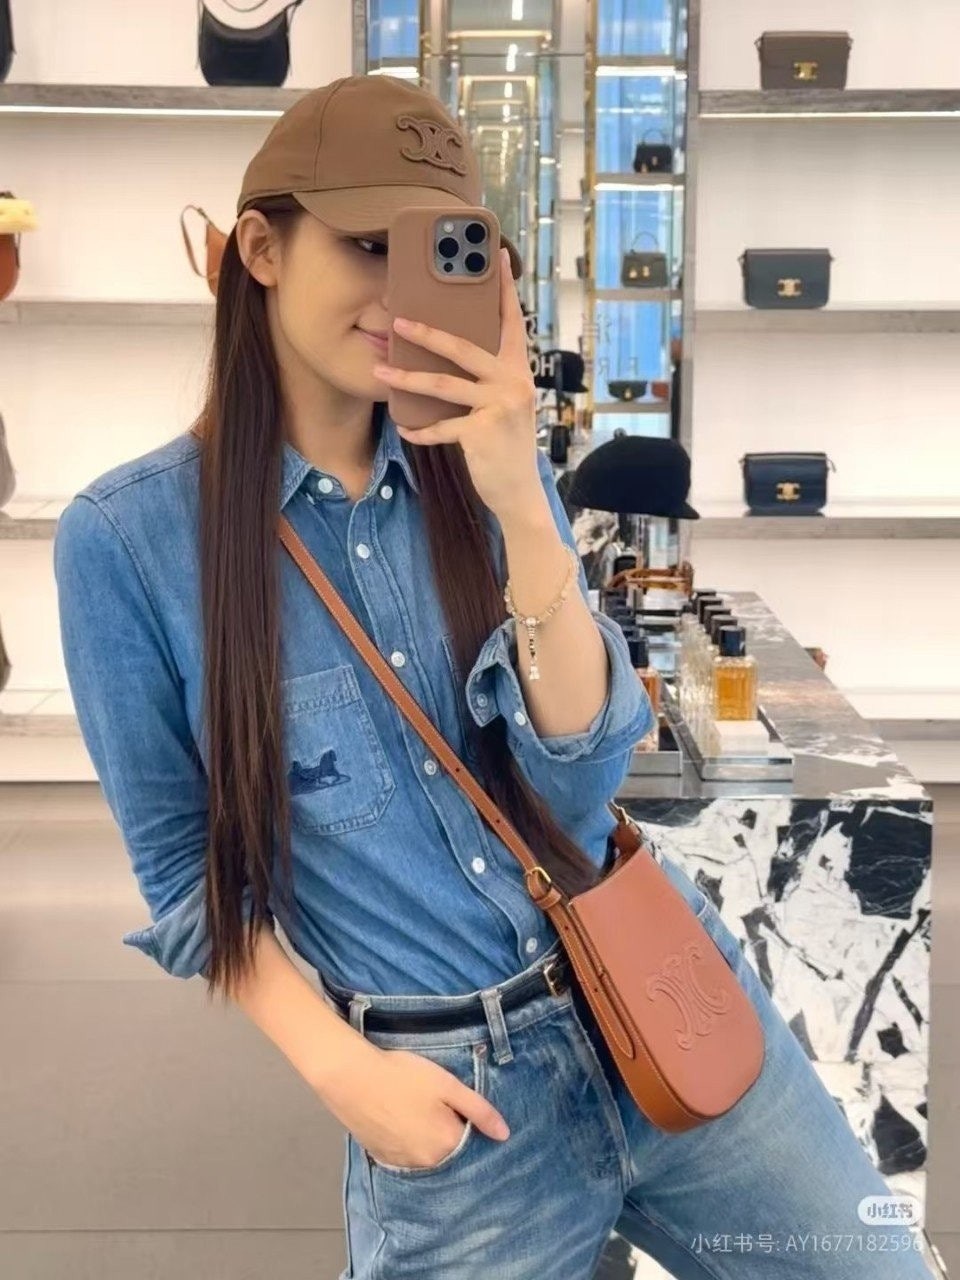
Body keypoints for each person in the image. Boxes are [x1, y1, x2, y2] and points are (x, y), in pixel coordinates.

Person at [53, 75, 932, 1280]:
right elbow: (186, 874)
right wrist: (347, 1075)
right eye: (368, 245)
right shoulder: (128, 541)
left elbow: (581, 776)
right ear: (261, 248)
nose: (397, 289)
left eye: (438, 253)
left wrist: (520, 496)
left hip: (662, 991)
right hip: (459, 1114)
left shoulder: (478, 468)